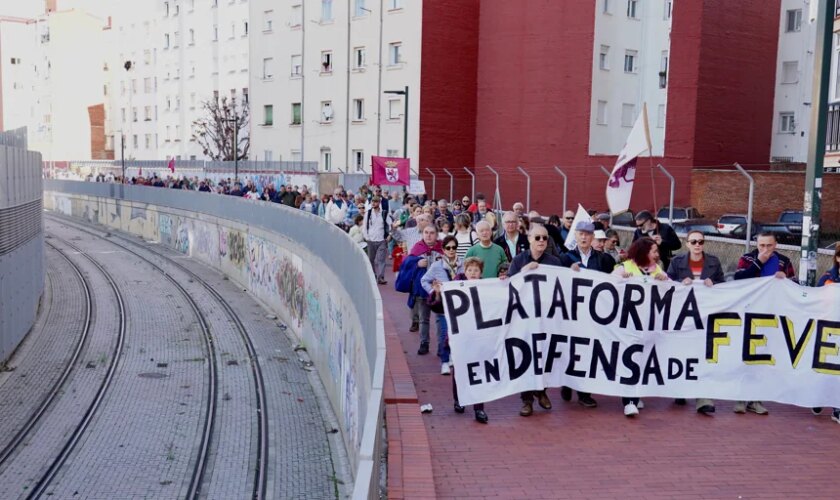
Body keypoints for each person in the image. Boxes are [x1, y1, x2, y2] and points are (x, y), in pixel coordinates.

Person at [732, 232, 797, 416]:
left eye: (769, 246)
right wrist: (758, 262)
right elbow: (739, 279)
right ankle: (740, 398)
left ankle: (756, 399)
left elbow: (794, 285)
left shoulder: (783, 261)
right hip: (749, 311)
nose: (765, 249)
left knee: (761, 357)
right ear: (757, 244)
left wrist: (785, 279)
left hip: (770, 314)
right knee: (745, 354)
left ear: (775, 245)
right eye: (762, 245)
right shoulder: (748, 258)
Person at [558, 221, 616, 409]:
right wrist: (568, 272)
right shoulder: (565, 258)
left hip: (594, 313)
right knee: (571, 349)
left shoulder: (604, 259)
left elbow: (614, 281)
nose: (584, 237)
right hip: (571, 312)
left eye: (587, 234)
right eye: (580, 234)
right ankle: (567, 382)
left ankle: (584, 392)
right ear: (575, 236)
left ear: (593, 237)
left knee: (589, 350)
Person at [666, 230, 724, 415]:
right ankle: (680, 389)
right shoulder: (677, 262)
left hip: (705, 316)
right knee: (683, 352)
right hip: (683, 316)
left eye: (701, 241)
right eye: (694, 241)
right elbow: (667, 283)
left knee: (703, 354)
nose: (698, 245)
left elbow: (724, 285)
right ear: (687, 243)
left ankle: (703, 397)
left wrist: (713, 283)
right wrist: (679, 283)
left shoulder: (713, 262)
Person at [508, 225, 563, 417]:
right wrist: (524, 271)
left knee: (545, 355)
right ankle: (527, 400)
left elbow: (564, 285)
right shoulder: (519, 260)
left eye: (545, 238)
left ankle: (542, 391)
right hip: (524, 317)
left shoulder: (554, 262)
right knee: (526, 356)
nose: (541, 241)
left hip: (547, 317)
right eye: (537, 237)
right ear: (529, 239)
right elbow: (509, 285)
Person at [613, 237, 669, 417]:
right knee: (630, 359)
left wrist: (664, 280)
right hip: (628, 323)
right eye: (654, 251)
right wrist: (621, 280)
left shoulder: (657, 270)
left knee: (643, 360)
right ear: (644, 252)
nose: (657, 255)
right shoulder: (625, 267)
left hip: (649, 325)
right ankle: (628, 401)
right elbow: (608, 285)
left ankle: (636, 393)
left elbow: (671, 294)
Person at [443, 257, 489, 423]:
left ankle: (479, 409)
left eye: (476, 270)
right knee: (460, 369)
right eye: (470, 270)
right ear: (465, 271)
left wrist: (503, 283)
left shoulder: (487, 287)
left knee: (479, 371)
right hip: (460, 337)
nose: (473, 273)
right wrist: (436, 293)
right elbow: (438, 306)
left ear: (481, 272)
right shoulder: (454, 287)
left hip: (479, 336)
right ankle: (460, 399)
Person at [421, 235, 463, 376]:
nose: (451, 250)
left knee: (456, 334)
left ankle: (453, 356)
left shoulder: (462, 265)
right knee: (444, 334)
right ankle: (444, 362)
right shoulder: (437, 266)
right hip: (443, 306)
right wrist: (433, 291)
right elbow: (424, 280)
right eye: (448, 248)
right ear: (443, 249)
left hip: (458, 307)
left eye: (454, 247)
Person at [813, 244, 840, 424]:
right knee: (827, 369)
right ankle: (818, 397)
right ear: (838, 258)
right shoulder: (828, 278)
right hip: (829, 331)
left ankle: (837, 407)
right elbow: (814, 301)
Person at [409, 225, 443, 355]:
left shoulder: (442, 249)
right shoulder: (417, 248)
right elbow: (407, 264)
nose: (429, 235)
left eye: (432, 233)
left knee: (440, 318)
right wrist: (416, 264)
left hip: (439, 290)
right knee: (424, 318)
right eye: (426, 233)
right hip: (422, 289)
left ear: (437, 234)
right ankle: (424, 343)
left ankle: (441, 345)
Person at [363, 195, 390, 285]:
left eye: (376, 201)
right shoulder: (368, 213)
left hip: (381, 240)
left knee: (381, 259)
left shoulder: (384, 213)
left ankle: (381, 277)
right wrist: (367, 238)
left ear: (379, 203)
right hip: (371, 240)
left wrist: (390, 235)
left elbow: (390, 225)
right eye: (372, 202)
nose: (374, 203)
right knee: (371, 259)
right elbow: (364, 227)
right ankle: (373, 275)